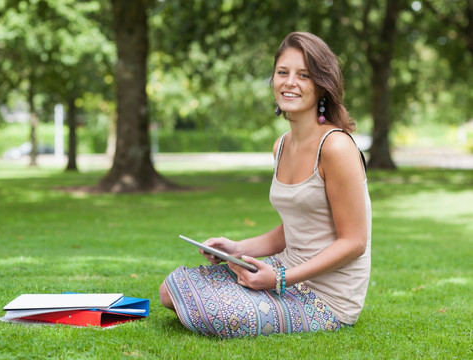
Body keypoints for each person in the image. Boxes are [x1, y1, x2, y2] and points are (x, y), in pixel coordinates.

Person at [159, 31, 371, 338]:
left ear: (322, 85)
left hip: (325, 298)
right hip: (283, 271)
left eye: (304, 75)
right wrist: (236, 248)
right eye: (282, 72)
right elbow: (297, 227)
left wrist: (280, 279)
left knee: (203, 307)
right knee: (171, 290)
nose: (289, 82)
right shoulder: (281, 146)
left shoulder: (336, 147)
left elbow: (354, 242)